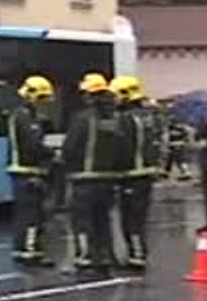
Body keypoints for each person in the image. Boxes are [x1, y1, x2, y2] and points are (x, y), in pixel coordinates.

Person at [61, 73, 125, 275]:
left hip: (84, 180)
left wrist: (64, 164)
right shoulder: (113, 118)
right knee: (102, 220)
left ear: (89, 95)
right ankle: (106, 256)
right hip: (107, 180)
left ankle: (86, 258)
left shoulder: (82, 119)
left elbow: (70, 148)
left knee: (82, 221)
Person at [112, 75, 162, 271]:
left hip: (132, 175)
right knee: (139, 218)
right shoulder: (148, 115)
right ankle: (138, 254)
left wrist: (114, 171)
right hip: (146, 175)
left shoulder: (126, 119)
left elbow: (123, 148)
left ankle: (136, 257)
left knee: (130, 219)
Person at [6, 75, 57, 266]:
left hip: (24, 171)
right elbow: (32, 145)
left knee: (26, 213)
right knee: (32, 214)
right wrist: (51, 154)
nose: (45, 103)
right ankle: (31, 252)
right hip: (27, 171)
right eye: (42, 99)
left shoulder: (24, 115)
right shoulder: (24, 116)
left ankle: (22, 250)